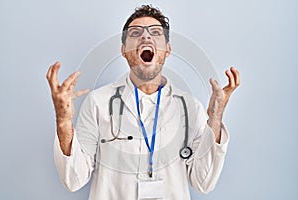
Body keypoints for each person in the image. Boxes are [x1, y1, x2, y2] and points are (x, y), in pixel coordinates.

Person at [46, 5, 240, 200]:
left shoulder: (190, 107)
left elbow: (204, 182)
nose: (146, 37)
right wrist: (63, 120)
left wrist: (215, 118)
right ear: (123, 50)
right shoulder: (98, 102)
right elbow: (73, 179)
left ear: (167, 50)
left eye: (155, 33)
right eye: (136, 33)